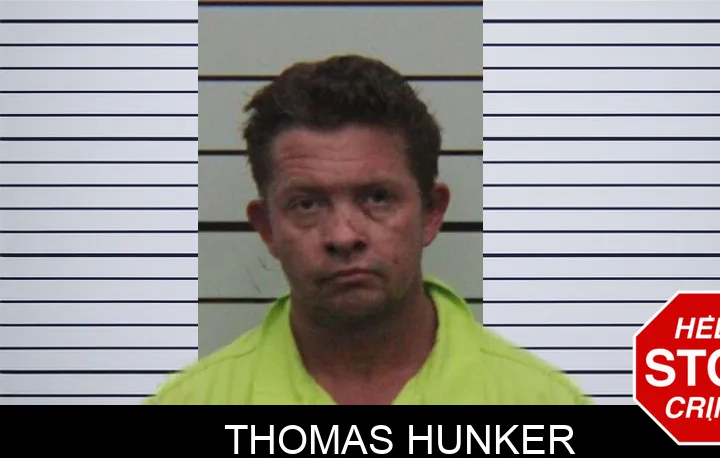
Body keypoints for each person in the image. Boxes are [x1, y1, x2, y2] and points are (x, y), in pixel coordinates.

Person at [145, 54, 592, 405]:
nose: (343, 236)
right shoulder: (192, 402)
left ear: (431, 213)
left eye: (378, 198)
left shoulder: (541, 403)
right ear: (267, 228)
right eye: (307, 204)